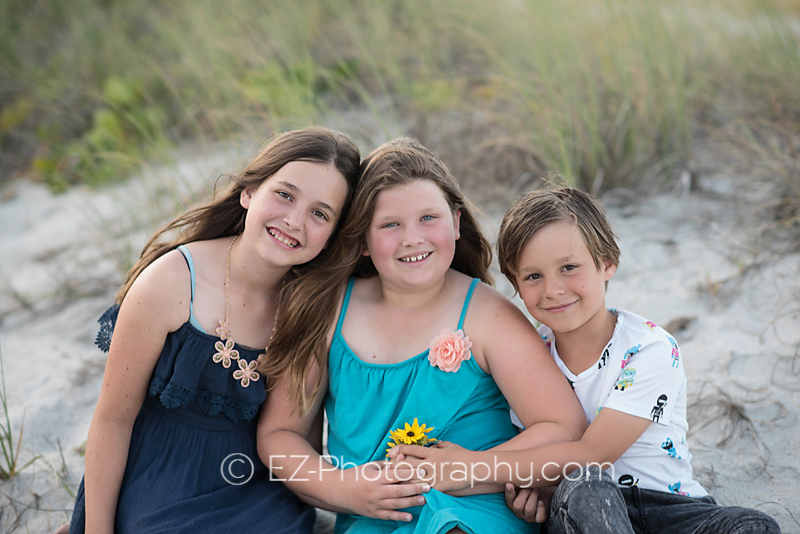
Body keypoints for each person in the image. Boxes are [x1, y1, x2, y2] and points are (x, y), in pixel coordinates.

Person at [392, 186, 781, 533]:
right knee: (588, 489)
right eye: (532, 277)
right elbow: (541, 459)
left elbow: (593, 453)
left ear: (607, 263)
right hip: (582, 507)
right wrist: (536, 493)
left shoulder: (648, 349)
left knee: (753, 525)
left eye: (569, 268)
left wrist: (467, 468)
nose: (554, 289)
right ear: (515, 285)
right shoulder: (527, 356)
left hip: (671, 509)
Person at [258, 138, 587, 534]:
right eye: (390, 225)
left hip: (475, 505)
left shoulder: (488, 315)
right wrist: (342, 487)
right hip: (374, 513)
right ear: (362, 240)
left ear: (456, 222)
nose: (412, 238)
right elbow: (281, 434)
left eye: (428, 218)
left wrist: (474, 468)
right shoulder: (329, 313)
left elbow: (563, 425)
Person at [60, 127, 361, 534]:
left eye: (320, 213)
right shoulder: (171, 281)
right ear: (249, 192)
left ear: (331, 237)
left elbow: (299, 440)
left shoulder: (312, 310)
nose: (294, 221)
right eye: (285, 195)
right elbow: (113, 420)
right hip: (156, 479)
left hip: (254, 488)